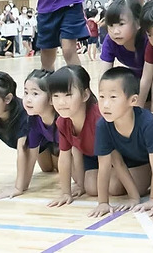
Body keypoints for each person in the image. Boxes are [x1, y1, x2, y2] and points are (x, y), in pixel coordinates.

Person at [90, 68, 153, 217]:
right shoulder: (103, 125)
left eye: (113, 97)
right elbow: (107, 166)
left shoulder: (148, 123)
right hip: (134, 163)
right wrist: (103, 202)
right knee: (115, 188)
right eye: (101, 96)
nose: (105, 104)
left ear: (133, 100)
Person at [47, 65, 102, 206]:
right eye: (56, 96)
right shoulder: (62, 122)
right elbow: (64, 157)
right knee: (90, 187)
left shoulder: (98, 119)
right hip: (92, 157)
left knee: (112, 186)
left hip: (122, 158)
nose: (61, 102)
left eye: (68, 95)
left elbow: (114, 156)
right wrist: (66, 193)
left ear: (85, 95)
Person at [22, 69, 60, 175]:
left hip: (72, 150)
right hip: (50, 141)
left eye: (35, 94)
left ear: (51, 98)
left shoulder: (63, 120)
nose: (28, 99)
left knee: (62, 167)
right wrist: (19, 188)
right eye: (26, 93)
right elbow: (31, 156)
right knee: (46, 169)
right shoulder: (34, 119)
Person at [101, 0, 148, 78]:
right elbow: (104, 75)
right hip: (137, 79)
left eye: (121, 24)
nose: (115, 31)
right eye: (111, 25)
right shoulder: (110, 40)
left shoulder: (148, 40)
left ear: (138, 23)